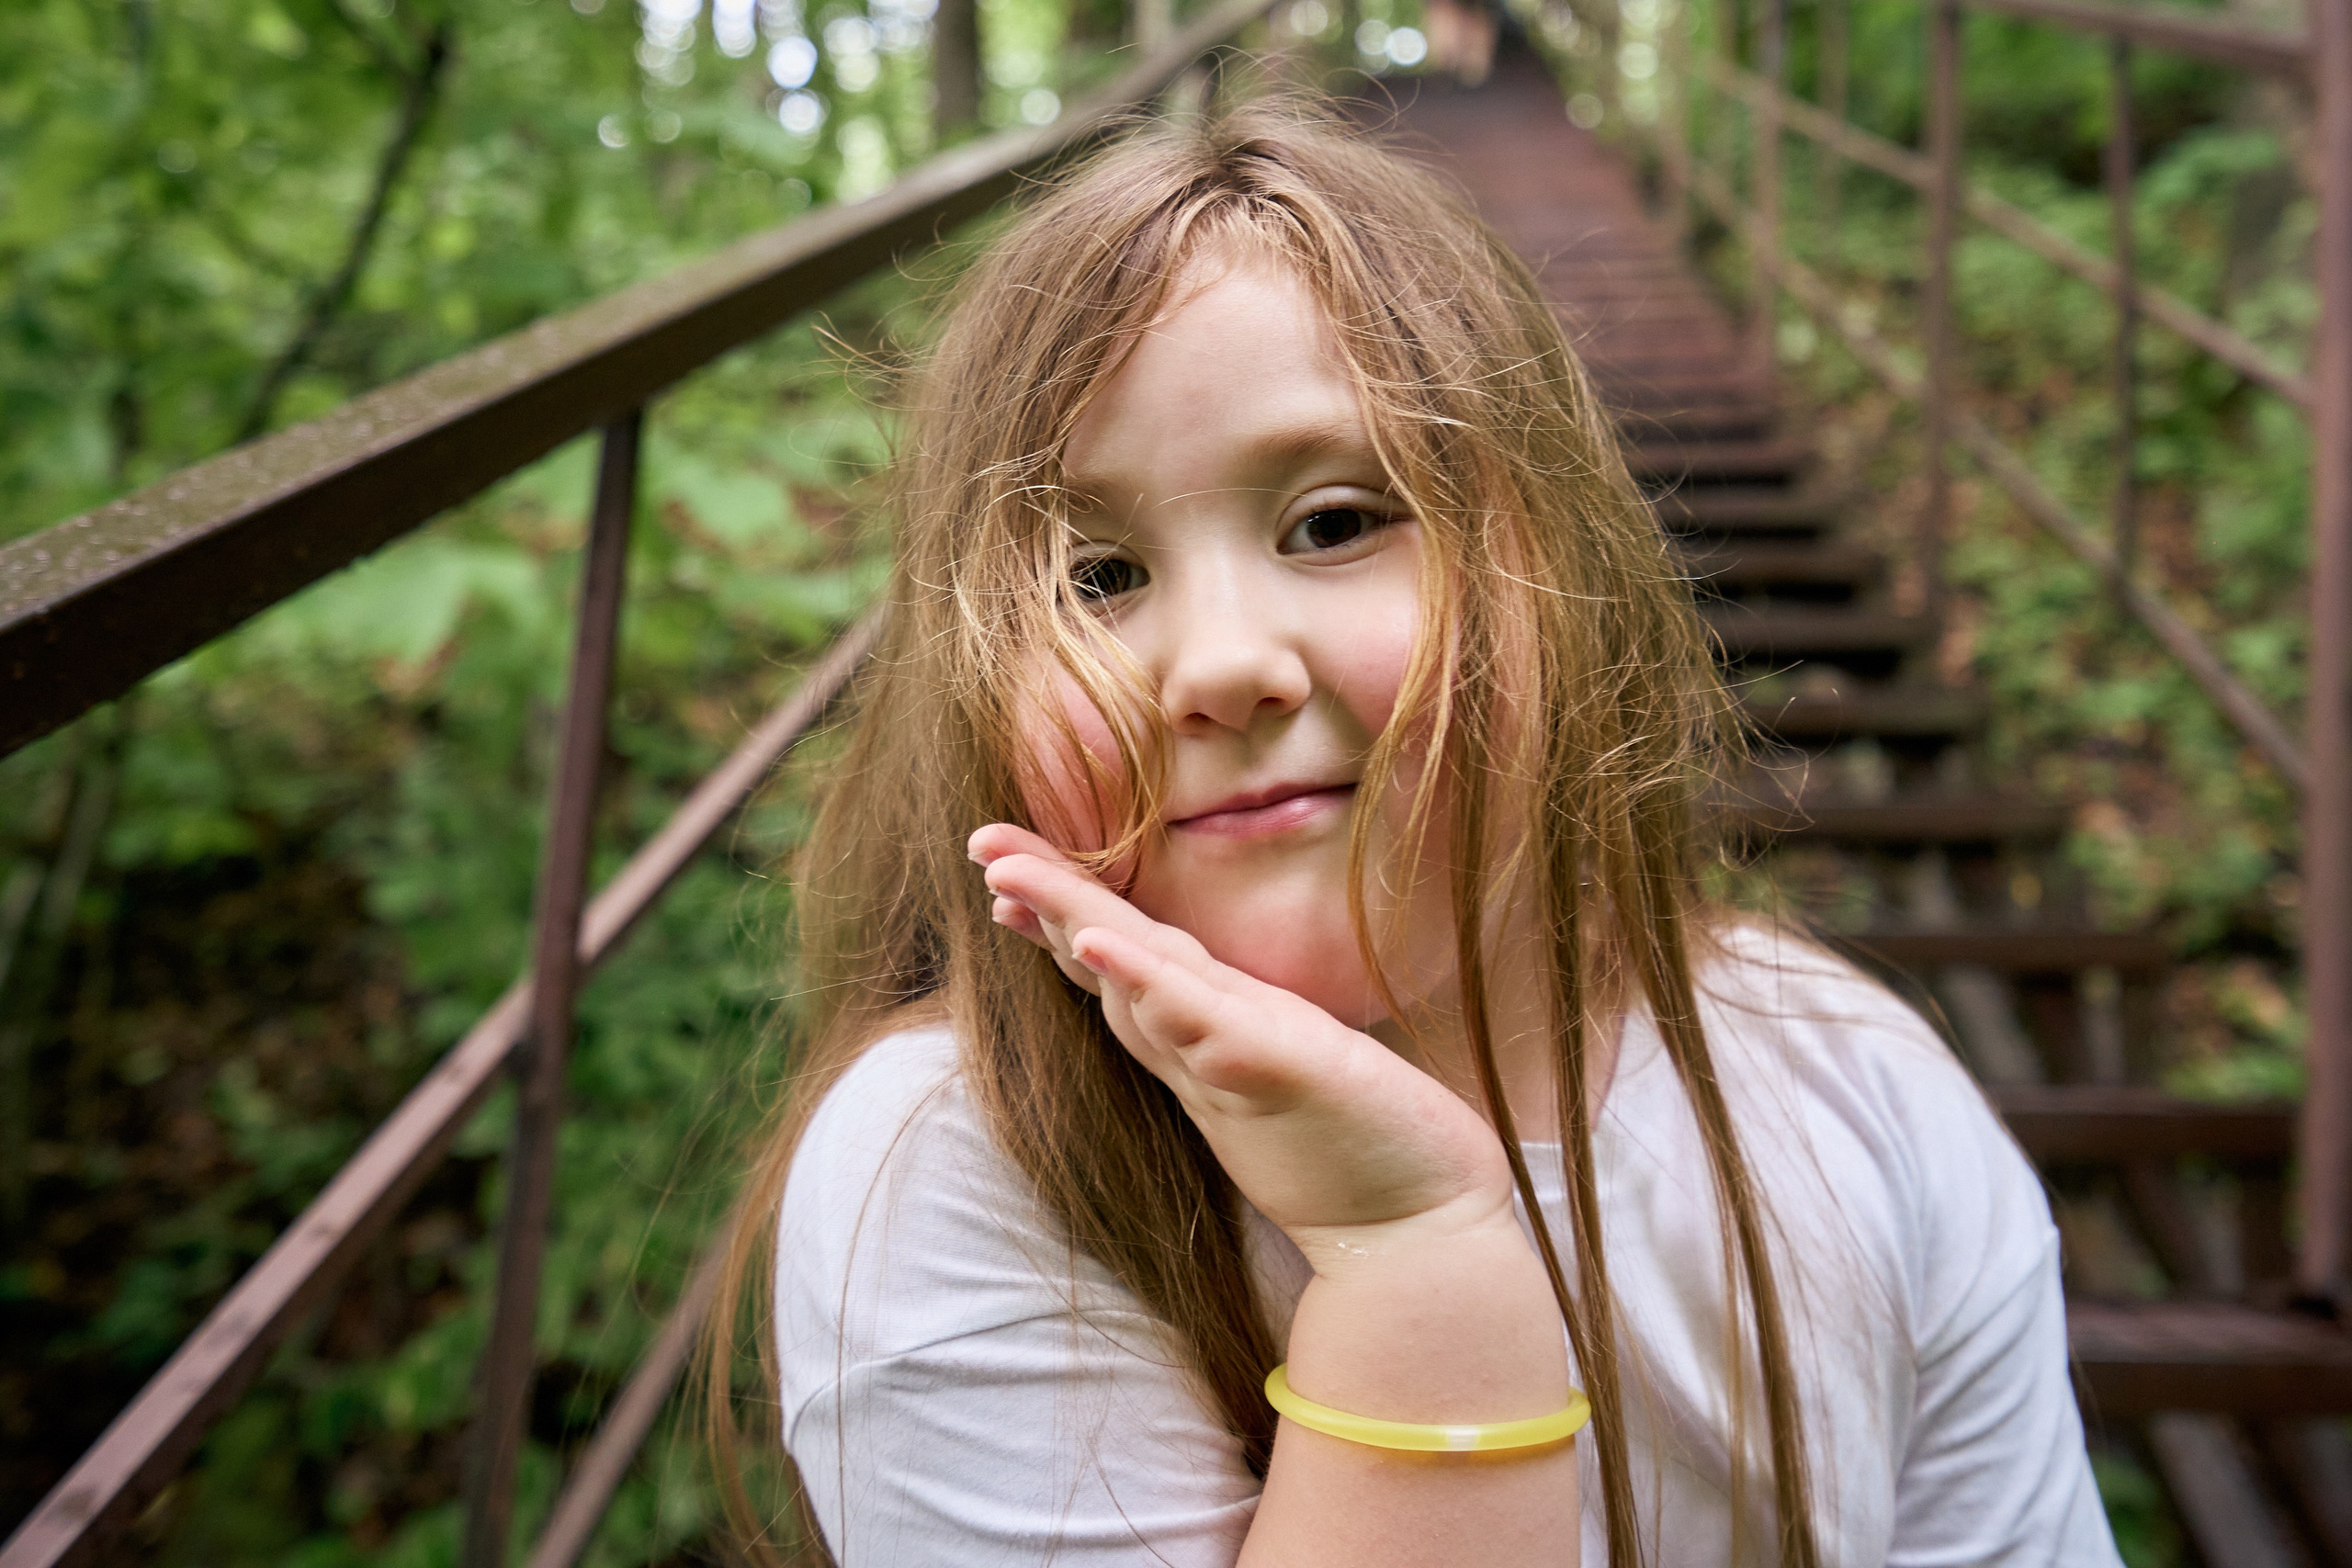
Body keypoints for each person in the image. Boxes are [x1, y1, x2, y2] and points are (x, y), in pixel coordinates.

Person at [707, 101, 2123, 1568]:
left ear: (1566, 572)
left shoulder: (1854, 1087)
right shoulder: (957, 1162)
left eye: (1332, 523)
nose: (1219, 665)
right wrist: (1412, 1264)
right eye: (1102, 574)